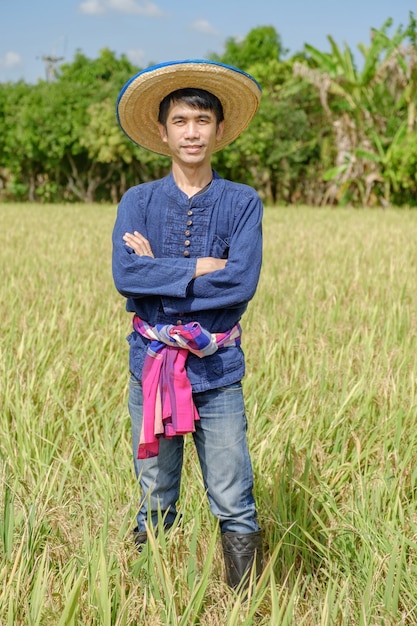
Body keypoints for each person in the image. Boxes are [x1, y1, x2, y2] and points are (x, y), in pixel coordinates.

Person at [112, 59, 263, 590]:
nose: (192, 131)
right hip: (151, 368)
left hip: (216, 370)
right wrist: (201, 265)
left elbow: (240, 283)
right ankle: (143, 596)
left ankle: (244, 602)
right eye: (181, 121)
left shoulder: (243, 202)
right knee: (154, 492)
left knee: (232, 492)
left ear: (220, 130)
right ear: (163, 131)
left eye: (202, 120)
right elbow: (126, 276)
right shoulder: (138, 201)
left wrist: (159, 271)